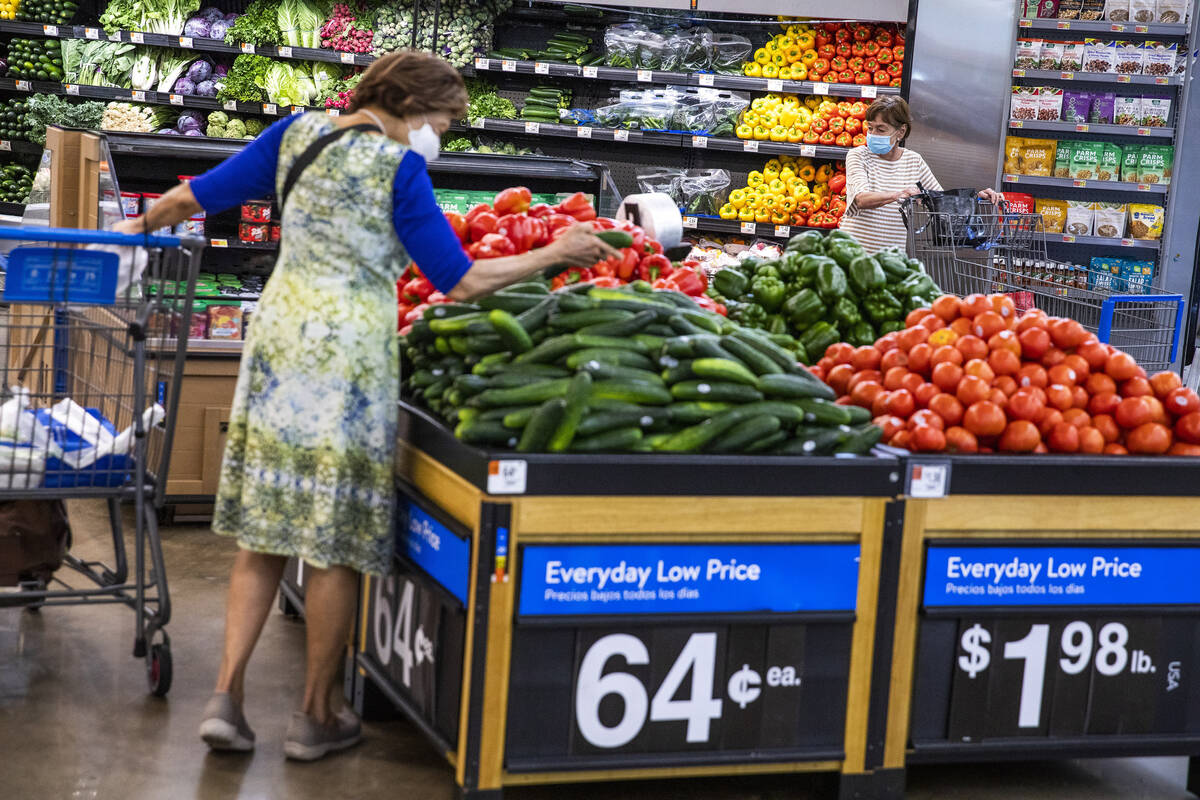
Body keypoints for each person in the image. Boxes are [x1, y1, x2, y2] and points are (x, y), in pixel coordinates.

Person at [113, 50, 615, 762]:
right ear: (413, 105)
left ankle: (226, 697)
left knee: (264, 534)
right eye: (443, 119)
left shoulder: (296, 135)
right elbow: (461, 281)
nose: (439, 133)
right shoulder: (399, 168)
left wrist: (133, 233)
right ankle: (315, 714)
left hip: (278, 346)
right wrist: (551, 255)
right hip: (349, 361)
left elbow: (194, 196)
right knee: (334, 545)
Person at [839, 96, 1002, 253]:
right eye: (870, 128)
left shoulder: (913, 161)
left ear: (900, 132)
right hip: (852, 255)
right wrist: (898, 194)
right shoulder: (858, 155)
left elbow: (942, 202)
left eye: (881, 129)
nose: (873, 134)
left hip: (891, 259)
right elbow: (861, 199)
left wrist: (976, 198)